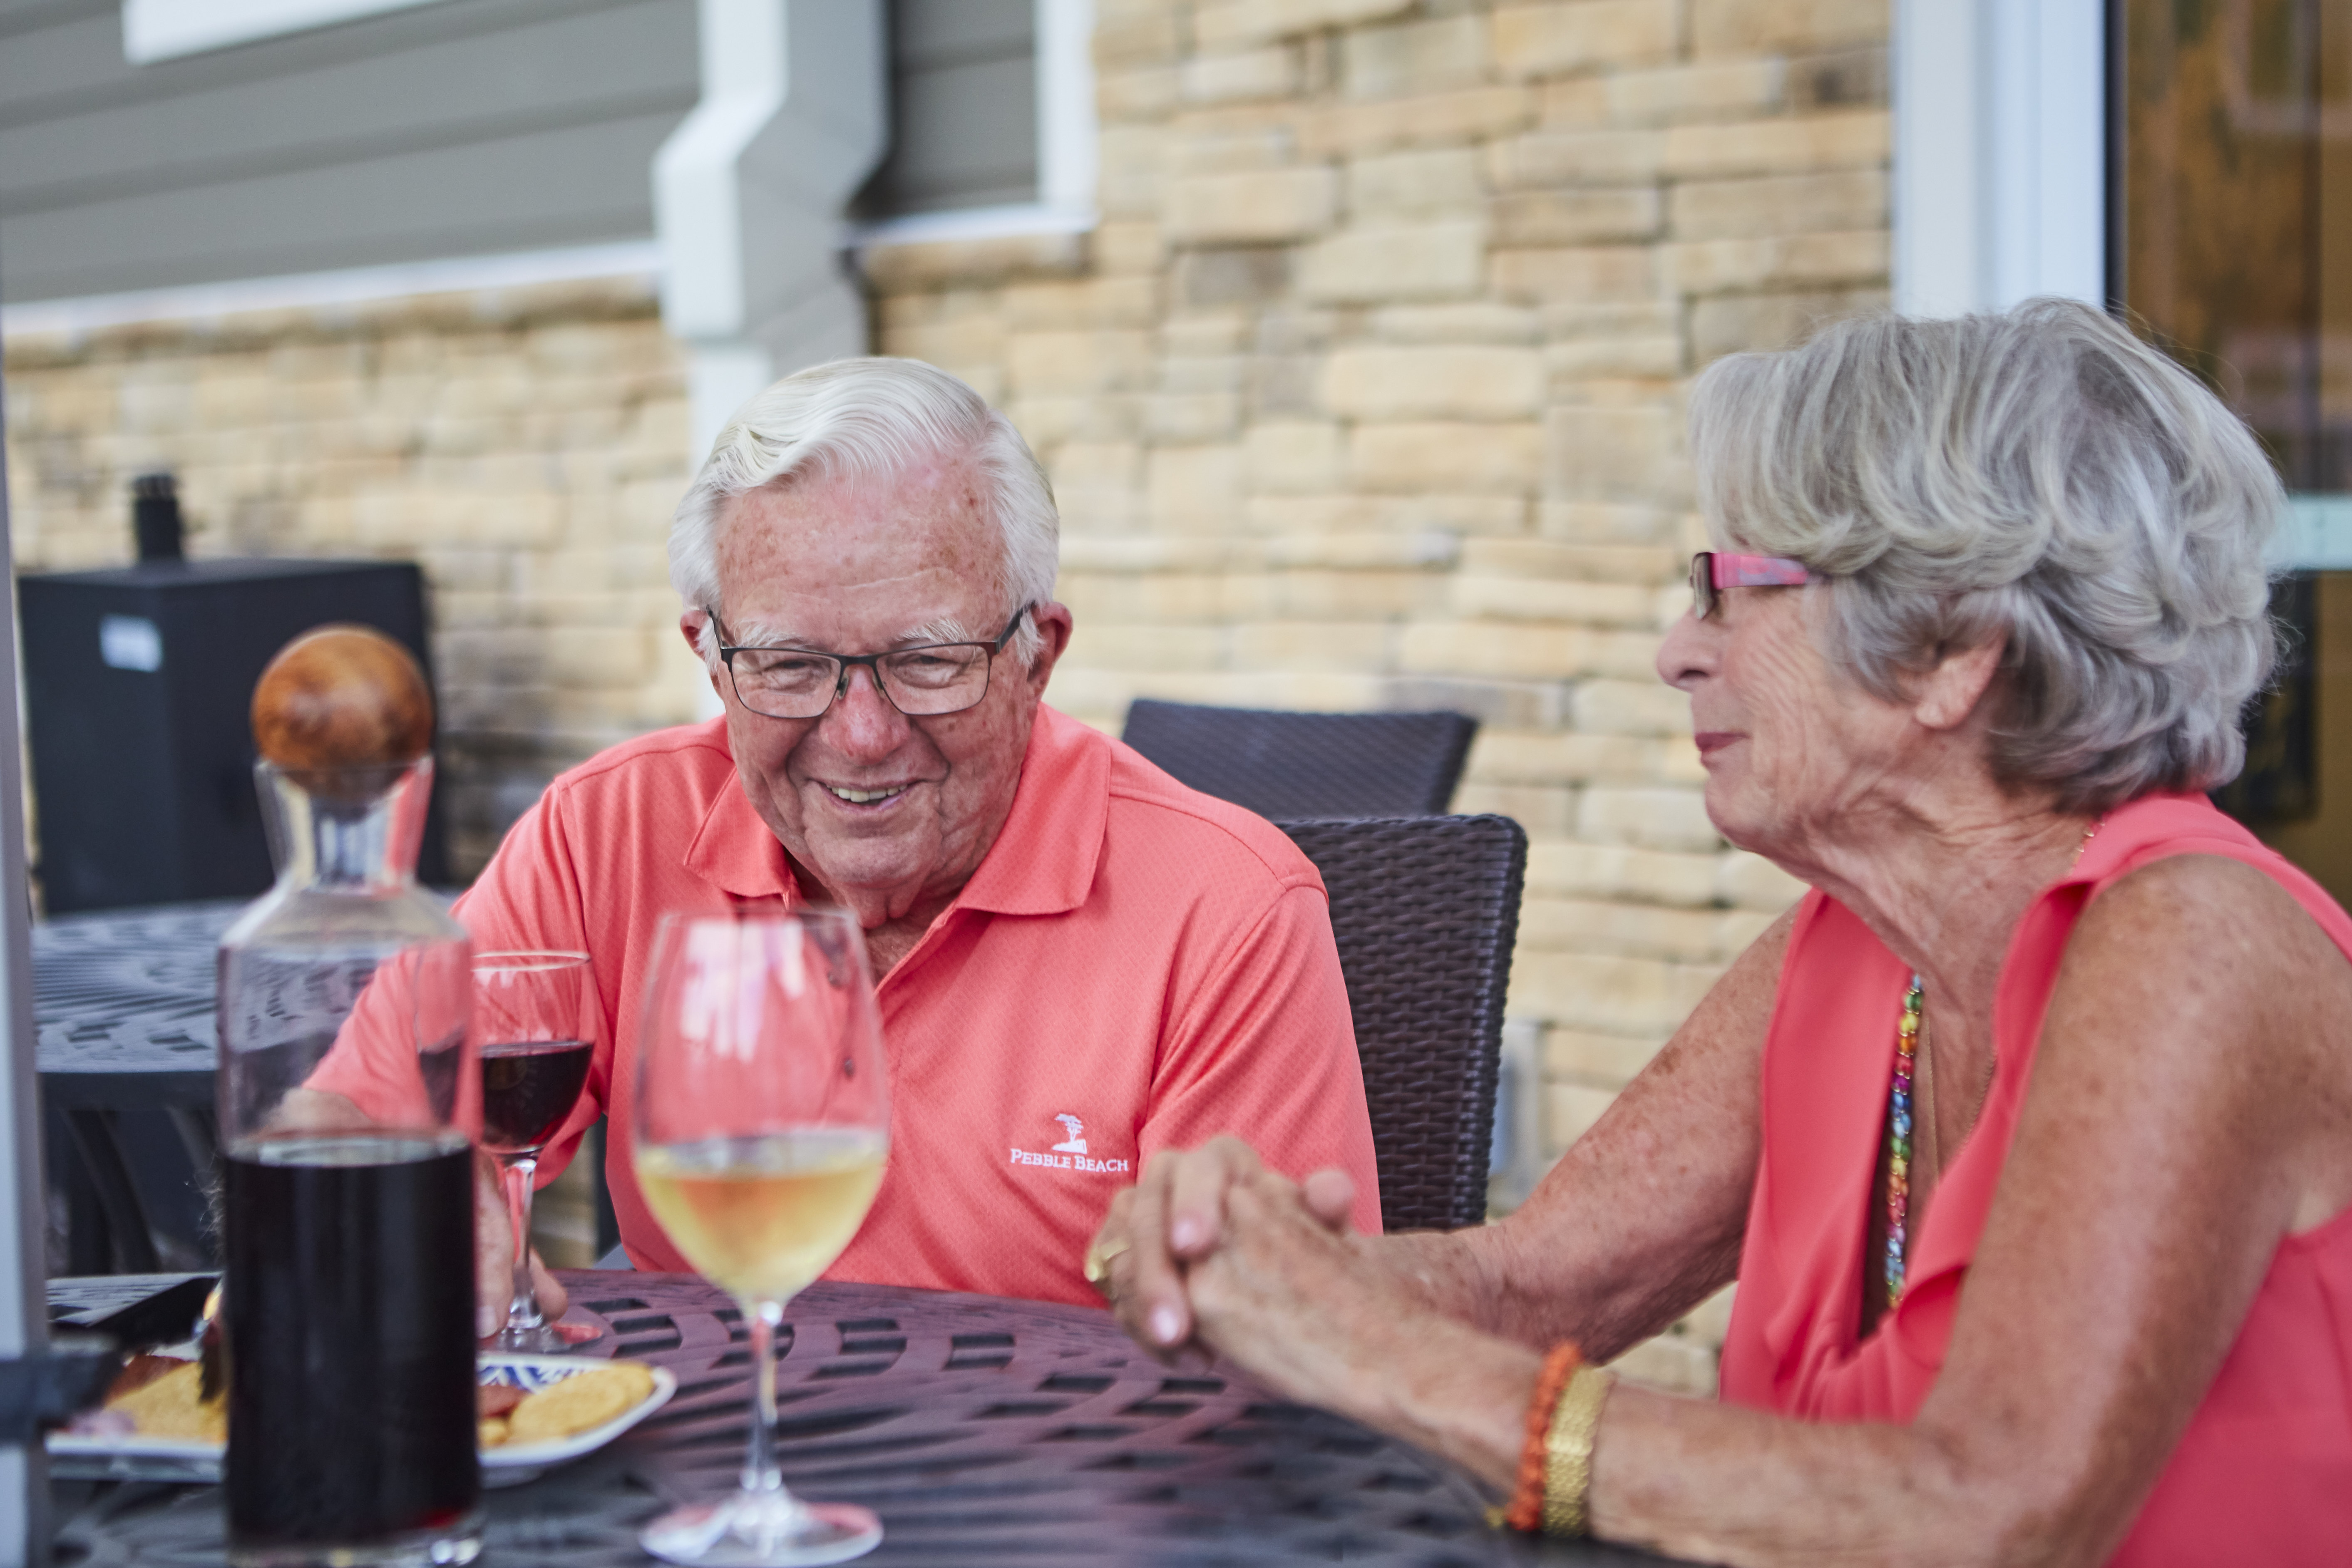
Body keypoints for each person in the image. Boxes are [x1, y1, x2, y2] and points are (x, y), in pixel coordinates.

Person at [1088, 300, 2352, 1566]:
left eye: (1727, 587)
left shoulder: (2194, 942)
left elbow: (1987, 1508)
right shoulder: (1855, 948)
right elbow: (1531, 1287)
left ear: (1952, 649)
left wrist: (1393, 1364)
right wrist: (1251, 1270)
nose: (1674, 652)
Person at [323, 357, 1380, 1332]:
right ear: (711, 656)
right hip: (699, 1498)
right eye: (787, 664)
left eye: (927, 660)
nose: (862, 736)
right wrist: (369, 1198)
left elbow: (1290, 1348)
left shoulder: (1227, 910)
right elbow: (341, 1126)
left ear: (1037, 656)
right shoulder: (607, 833)